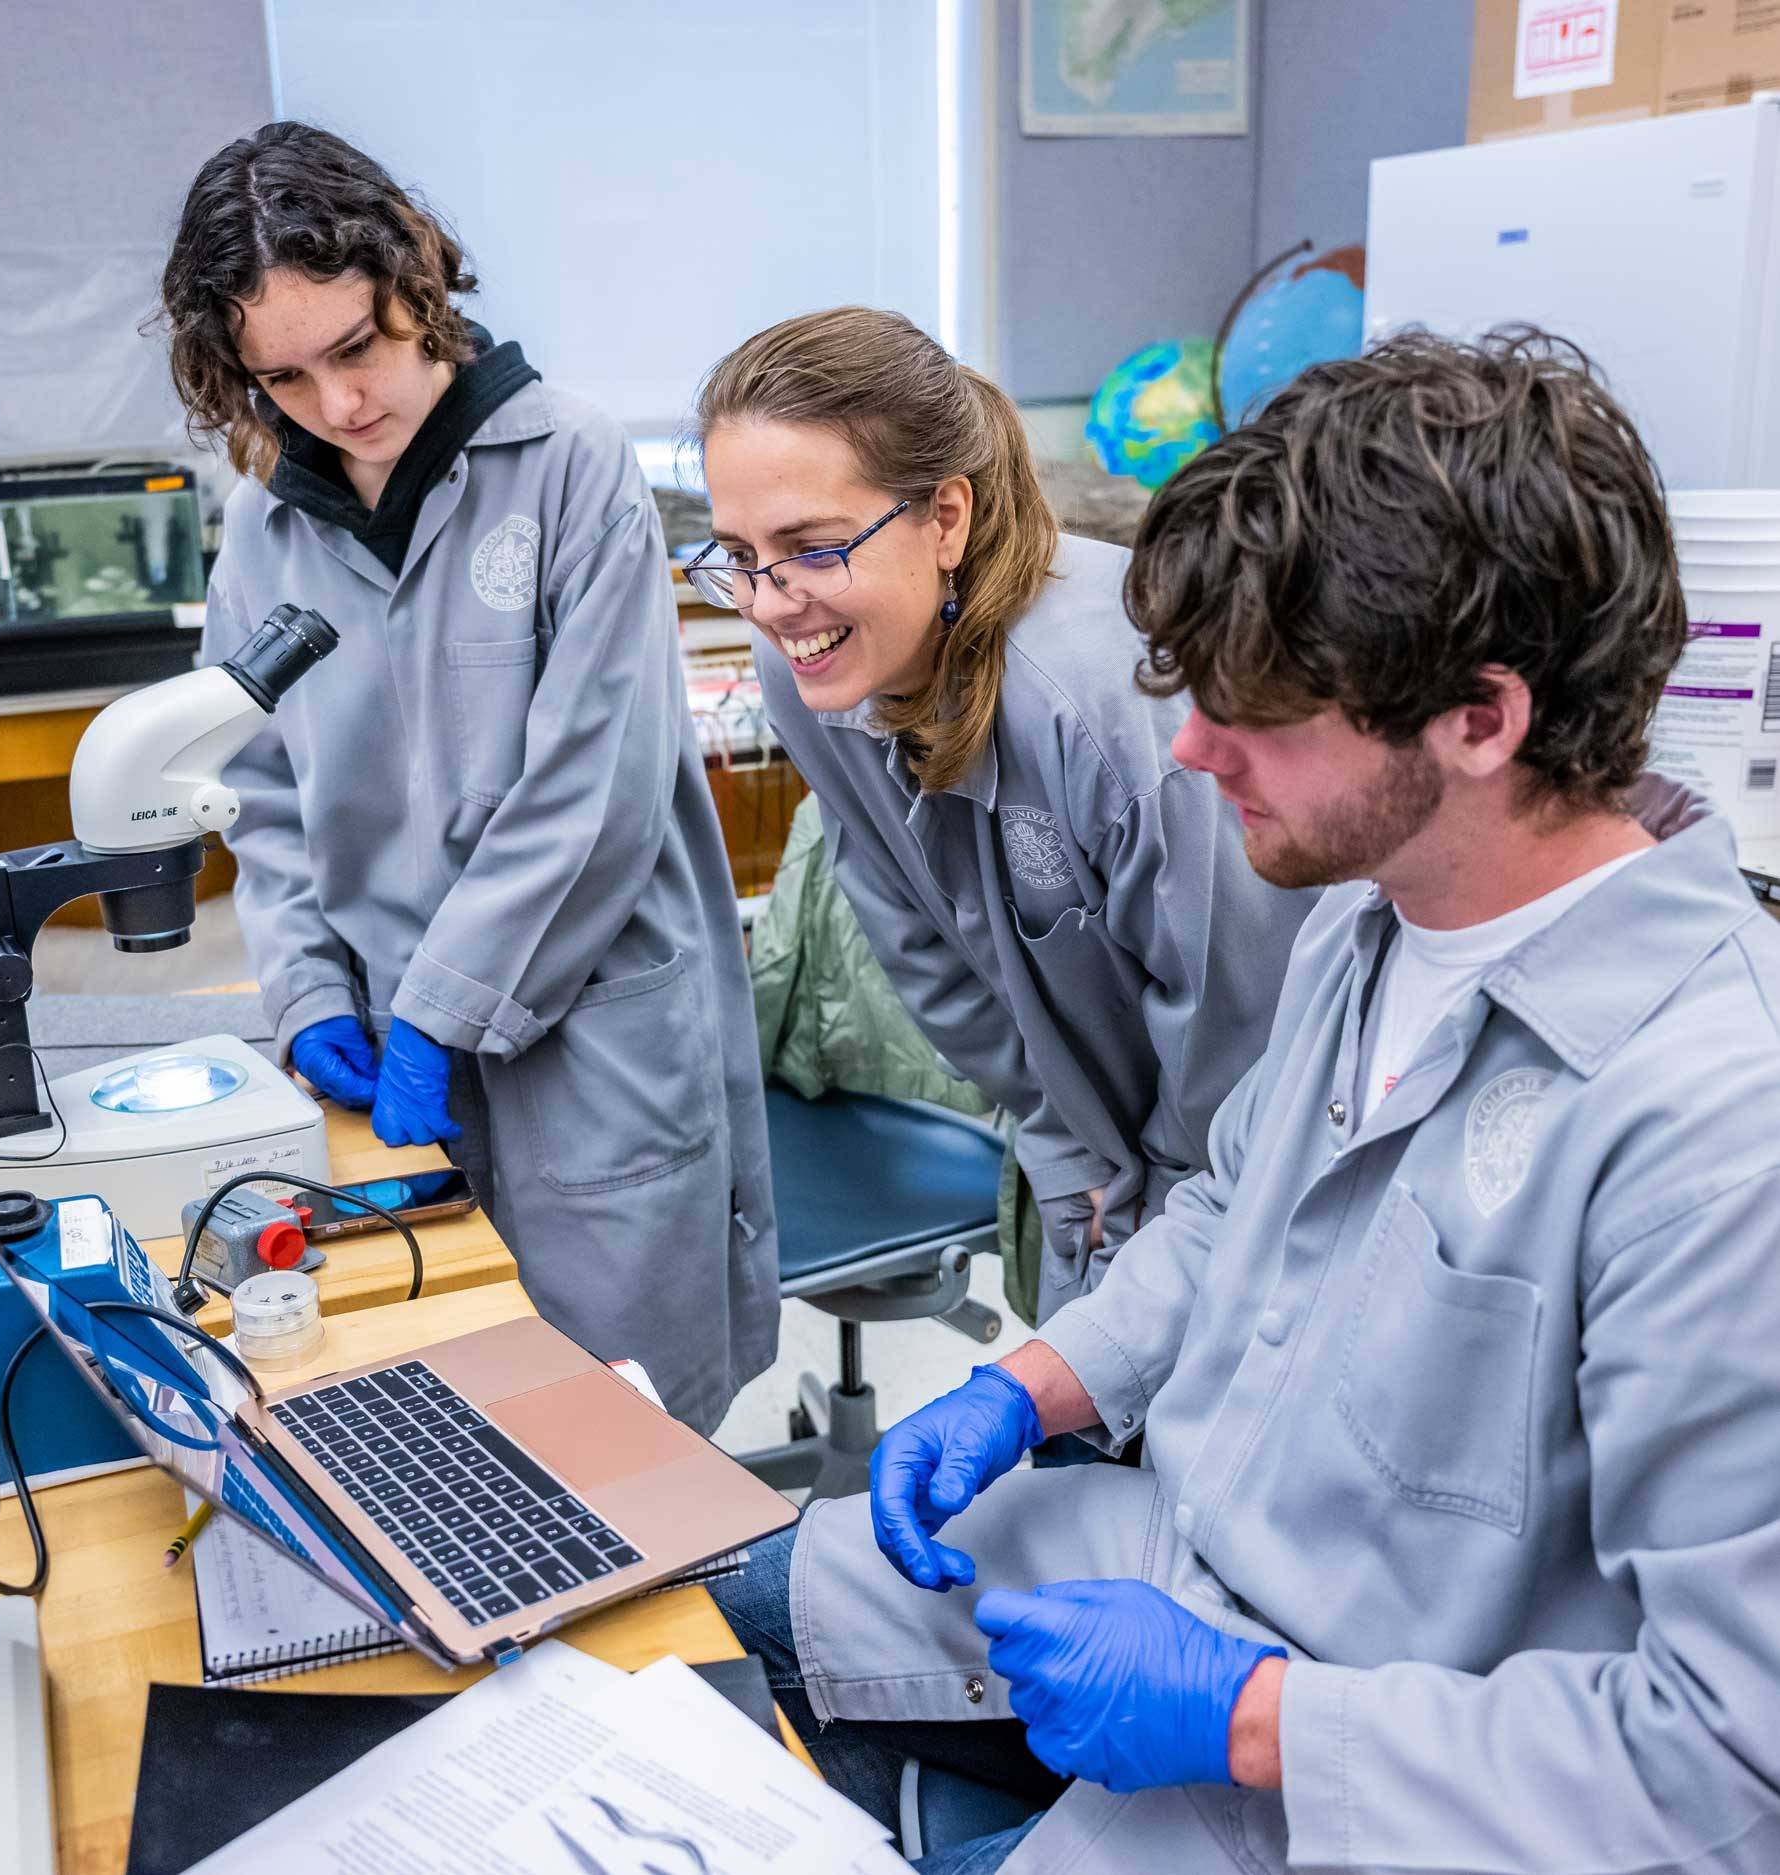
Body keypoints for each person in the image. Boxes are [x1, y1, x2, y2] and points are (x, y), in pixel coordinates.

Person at [711, 328, 1780, 1874]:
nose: (1195, 751)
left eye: (1257, 715)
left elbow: (1728, 1762)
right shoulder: (1376, 906)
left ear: (1481, 717)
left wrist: (1258, 1717)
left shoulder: (1712, 1125)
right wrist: (1042, 1381)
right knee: (708, 1604)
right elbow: (1229, 1206)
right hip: (1181, 1555)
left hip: (1383, 1731)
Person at [157, 122, 775, 1431]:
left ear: (418, 286)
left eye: (357, 347)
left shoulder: (571, 466)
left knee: (626, 1432)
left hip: (590, 1038)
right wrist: (311, 985)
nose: (336, 404)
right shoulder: (268, 525)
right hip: (387, 1054)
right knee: (444, 1414)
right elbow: (262, 789)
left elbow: (593, 790)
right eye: (284, 375)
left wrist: (442, 1012)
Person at [691, 309, 1316, 1326]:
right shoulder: (812, 660)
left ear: (944, 517)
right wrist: (1063, 1141)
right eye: (737, 556)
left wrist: (1156, 1197)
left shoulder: (1118, 703)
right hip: (1097, 1150)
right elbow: (916, 935)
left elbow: (1241, 1028)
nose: (767, 602)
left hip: (1246, 1159)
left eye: (808, 549)